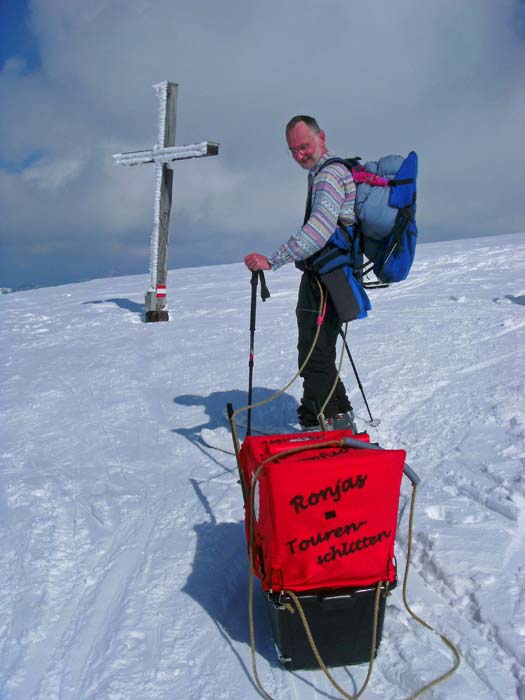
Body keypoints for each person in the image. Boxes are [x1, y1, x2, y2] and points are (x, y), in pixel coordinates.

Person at [244, 115, 357, 431]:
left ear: (322, 136)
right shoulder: (323, 172)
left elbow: (318, 230)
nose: (299, 155)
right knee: (318, 351)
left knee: (314, 355)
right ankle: (336, 418)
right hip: (329, 276)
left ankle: (321, 425)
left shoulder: (328, 176)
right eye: (293, 150)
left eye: (304, 146)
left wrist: (273, 260)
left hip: (327, 278)